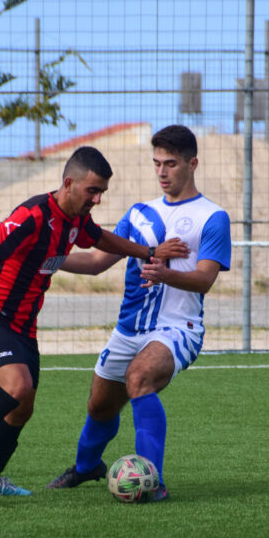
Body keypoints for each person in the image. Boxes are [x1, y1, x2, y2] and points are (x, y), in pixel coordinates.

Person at [0, 146, 188, 496]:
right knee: (17, 387)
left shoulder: (75, 220)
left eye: (102, 192)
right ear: (69, 183)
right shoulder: (33, 215)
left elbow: (101, 239)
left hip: (24, 328)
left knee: (23, 407)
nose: (97, 199)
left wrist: (149, 251)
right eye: (92, 190)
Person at [47, 125, 231, 501]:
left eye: (171, 164)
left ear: (192, 164)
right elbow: (96, 262)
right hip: (129, 328)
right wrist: (47, 259)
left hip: (178, 328)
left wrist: (165, 274)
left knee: (140, 378)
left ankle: (153, 481)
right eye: (157, 163)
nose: (162, 171)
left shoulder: (212, 217)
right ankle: (86, 467)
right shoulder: (139, 214)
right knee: (100, 405)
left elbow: (205, 280)